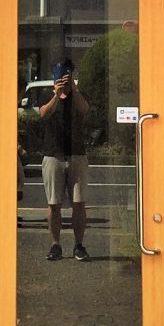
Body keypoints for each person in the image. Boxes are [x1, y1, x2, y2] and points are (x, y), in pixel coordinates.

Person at [39, 58, 90, 261]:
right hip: (53, 154)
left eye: (66, 73)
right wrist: (56, 95)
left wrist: (74, 90)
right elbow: (43, 114)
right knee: (54, 203)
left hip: (77, 153)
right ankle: (55, 245)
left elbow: (84, 110)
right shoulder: (47, 94)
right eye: (59, 73)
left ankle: (79, 245)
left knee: (79, 203)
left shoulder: (78, 95)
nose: (63, 77)